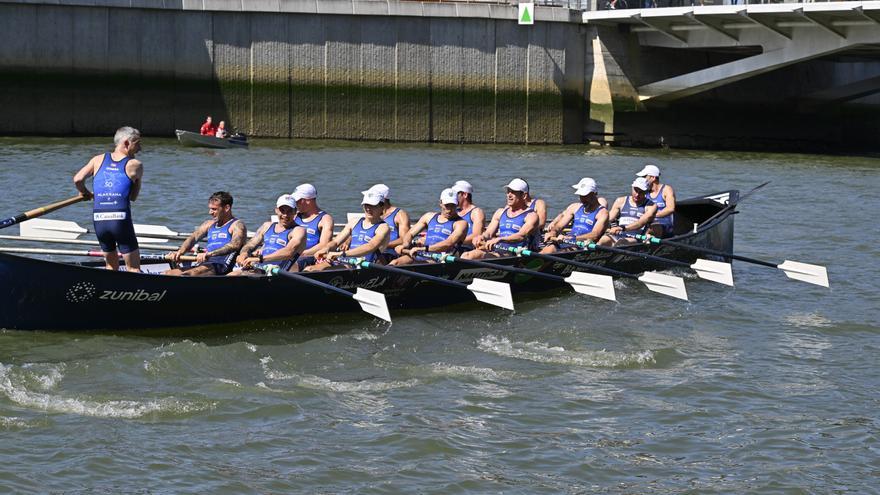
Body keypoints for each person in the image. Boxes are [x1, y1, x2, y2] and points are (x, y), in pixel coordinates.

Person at [73, 126, 144, 272]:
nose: (140, 148)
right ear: (126, 143)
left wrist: (85, 193)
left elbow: (78, 179)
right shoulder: (135, 165)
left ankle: (109, 293)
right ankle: (136, 294)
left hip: (100, 219)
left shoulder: (97, 160)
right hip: (120, 219)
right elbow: (133, 197)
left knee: (110, 267)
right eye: (137, 143)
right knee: (134, 268)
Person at [164, 191, 247, 276]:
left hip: (223, 265)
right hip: (207, 262)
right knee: (168, 273)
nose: (210, 212)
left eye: (214, 209)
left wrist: (209, 254)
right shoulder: (209, 224)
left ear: (226, 208)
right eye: (210, 208)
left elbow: (234, 245)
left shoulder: (237, 225)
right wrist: (180, 252)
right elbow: (193, 238)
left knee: (188, 274)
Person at [305, 190, 390, 271]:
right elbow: (336, 242)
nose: (368, 209)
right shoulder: (354, 222)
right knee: (309, 269)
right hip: (346, 262)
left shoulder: (383, 227)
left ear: (382, 207)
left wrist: (342, 254)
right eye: (366, 205)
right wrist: (326, 248)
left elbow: (371, 246)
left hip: (364, 266)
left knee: (323, 271)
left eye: (373, 206)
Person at [461, 178, 540, 260]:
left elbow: (521, 236)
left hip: (517, 255)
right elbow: (488, 233)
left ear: (524, 196)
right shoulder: (500, 212)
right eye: (508, 191)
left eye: (513, 192)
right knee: (466, 254)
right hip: (499, 251)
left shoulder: (531, 216)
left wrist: (500, 239)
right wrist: (481, 237)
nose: (509, 195)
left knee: (471, 256)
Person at [228, 195, 306, 275]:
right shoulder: (267, 226)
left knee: (236, 275)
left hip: (276, 273)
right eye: (282, 210)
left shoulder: (299, 230)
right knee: (231, 275)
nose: (285, 215)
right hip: (259, 268)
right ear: (276, 210)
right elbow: (250, 244)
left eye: (289, 211)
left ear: (295, 211)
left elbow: (289, 252)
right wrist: (244, 254)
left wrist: (260, 259)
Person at [391, 188, 468, 266]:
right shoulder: (429, 217)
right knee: (395, 263)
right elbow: (410, 234)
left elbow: (448, 243)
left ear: (457, 204)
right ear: (440, 203)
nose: (449, 210)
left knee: (418, 266)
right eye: (447, 205)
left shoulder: (461, 223)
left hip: (440, 260)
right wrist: (405, 245)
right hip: (421, 255)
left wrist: (423, 249)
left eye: (453, 206)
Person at [541, 178, 609, 254]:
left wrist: (571, 238)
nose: (582, 199)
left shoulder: (602, 213)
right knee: (549, 249)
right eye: (581, 195)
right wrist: (553, 232)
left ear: (594, 194)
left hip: (585, 245)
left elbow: (595, 235)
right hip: (568, 241)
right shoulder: (575, 208)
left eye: (585, 195)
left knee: (556, 251)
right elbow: (559, 226)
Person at [599, 177, 658, 246]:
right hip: (618, 234)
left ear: (646, 192)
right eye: (636, 190)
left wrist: (623, 228)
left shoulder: (651, 206)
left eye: (641, 192)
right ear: (632, 188)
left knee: (621, 243)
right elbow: (609, 219)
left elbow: (640, 223)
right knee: (602, 240)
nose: (637, 194)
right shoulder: (620, 201)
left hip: (635, 238)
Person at [291, 183, 335, 271]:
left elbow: (324, 245)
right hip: (292, 252)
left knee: (291, 265)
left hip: (311, 256)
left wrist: (302, 253)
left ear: (308, 200)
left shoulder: (325, 219)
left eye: (298, 201)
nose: (295, 204)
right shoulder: (295, 216)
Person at [364, 184, 409, 262]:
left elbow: (404, 239)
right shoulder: (371, 214)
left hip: (389, 254)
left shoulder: (400, 215)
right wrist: (348, 240)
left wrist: (382, 245)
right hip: (370, 249)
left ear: (382, 199)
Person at [637, 164, 676, 238]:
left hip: (664, 226)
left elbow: (670, 208)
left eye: (644, 177)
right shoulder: (644, 192)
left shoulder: (666, 189)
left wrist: (651, 215)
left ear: (653, 178)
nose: (641, 179)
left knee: (653, 226)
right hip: (647, 224)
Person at [452, 180, 484, 250]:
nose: (453, 197)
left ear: (465, 195)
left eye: (456, 194)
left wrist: (453, 241)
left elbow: (476, 235)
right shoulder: (454, 211)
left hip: (468, 248)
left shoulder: (476, 212)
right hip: (452, 246)